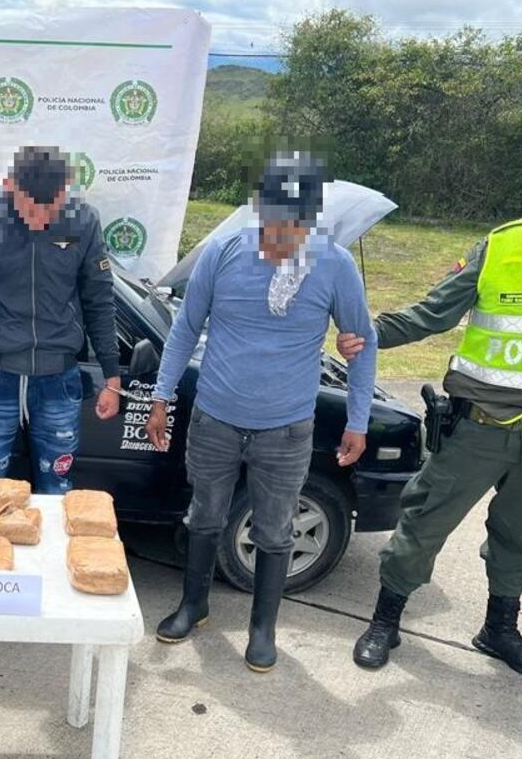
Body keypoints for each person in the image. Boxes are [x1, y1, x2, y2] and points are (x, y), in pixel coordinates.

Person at [336, 147, 522, 680]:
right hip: (479, 430)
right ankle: (386, 621)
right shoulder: (500, 249)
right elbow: (434, 311)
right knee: (423, 527)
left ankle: (499, 629)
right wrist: (372, 335)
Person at [146, 152, 377, 672]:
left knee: (275, 530)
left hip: (287, 428)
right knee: (204, 516)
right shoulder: (222, 252)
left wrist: (358, 420)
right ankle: (193, 605)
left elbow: (364, 345)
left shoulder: (335, 265)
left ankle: (261, 627)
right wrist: (162, 397)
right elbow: (184, 329)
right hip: (215, 417)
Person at [0, 146, 121, 494]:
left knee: (57, 490)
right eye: (29, 207)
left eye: (50, 208)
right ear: (8, 186)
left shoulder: (84, 221)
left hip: (58, 381)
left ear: (65, 193)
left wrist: (112, 375)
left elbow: (100, 300)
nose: (40, 219)